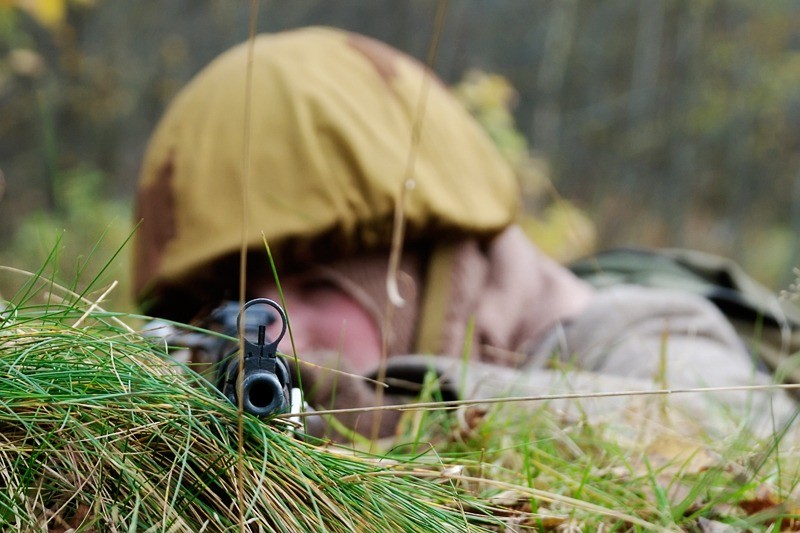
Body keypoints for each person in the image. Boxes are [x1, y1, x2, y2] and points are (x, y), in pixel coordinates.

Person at [132, 26, 796, 442]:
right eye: (237, 310)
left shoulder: (642, 332)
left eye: (308, 284)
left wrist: (418, 403)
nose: (286, 334)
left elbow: (732, 431)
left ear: (425, 250)